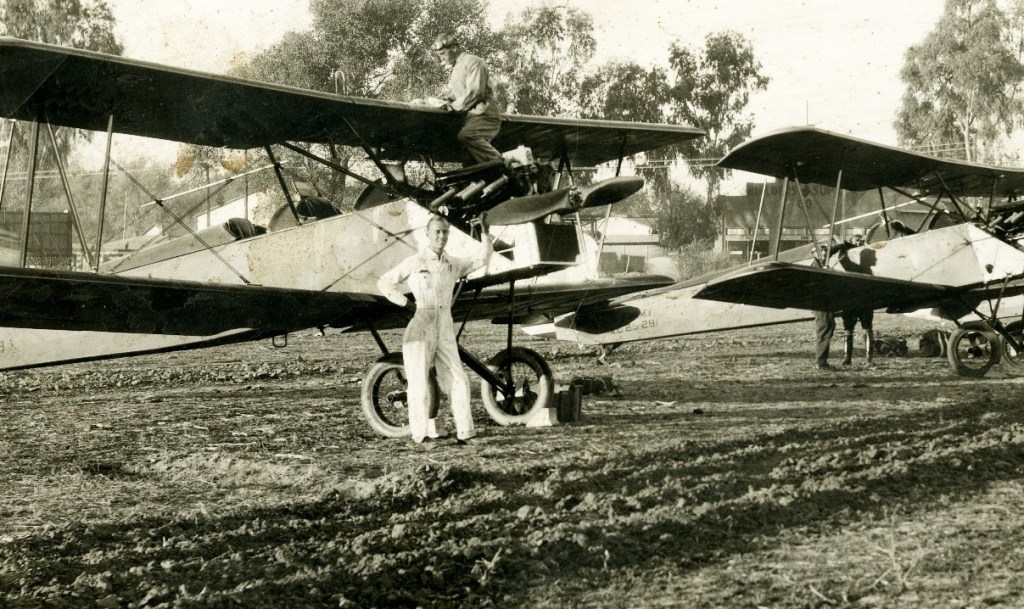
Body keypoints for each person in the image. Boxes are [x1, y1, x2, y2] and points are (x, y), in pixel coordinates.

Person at [377, 214, 493, 448]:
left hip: (444, 327)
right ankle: (421, 436)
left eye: (445, 232)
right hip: (421, 326)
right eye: (437, 232)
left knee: (459, 379)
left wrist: (484, 232)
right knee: (419, 384)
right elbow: (384, 282)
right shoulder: (415, 262)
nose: (442, 236)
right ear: (427, 234)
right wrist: (407, 304)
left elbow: (481, 259)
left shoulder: (452, 264)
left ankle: (466, 432)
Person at [431, 32, 503, 165]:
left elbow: (475, 92)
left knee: (468, 136)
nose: (441, 59)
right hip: (471, 117)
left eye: (442, 54)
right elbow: (459, 94)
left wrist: (453, 106)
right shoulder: (457, 67)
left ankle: (505, 166)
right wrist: (439, 101)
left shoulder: (472, 61)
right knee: (469, 161)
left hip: (484, 115)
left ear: (454, 48)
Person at [837, 234, 874, 365]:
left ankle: (866, 359)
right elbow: (842, 258)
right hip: (853, 301)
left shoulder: (863, 267)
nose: (860, 242)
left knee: (865, 329)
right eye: (857, 241)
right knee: (850, 329)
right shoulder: (858, 266)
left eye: (861, 241)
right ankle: (849, 358)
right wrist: (844, 246)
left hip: (860, 301)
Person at [811, 242, 836, 370]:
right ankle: (821, 362)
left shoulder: (821, 265)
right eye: (821, 251)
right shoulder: (815, 267)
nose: (824, 253)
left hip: (825, 303)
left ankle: (822, 361)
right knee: (824, 328)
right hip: (820, 303)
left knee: (828, 327)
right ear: (814, 253)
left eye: (825, 250)